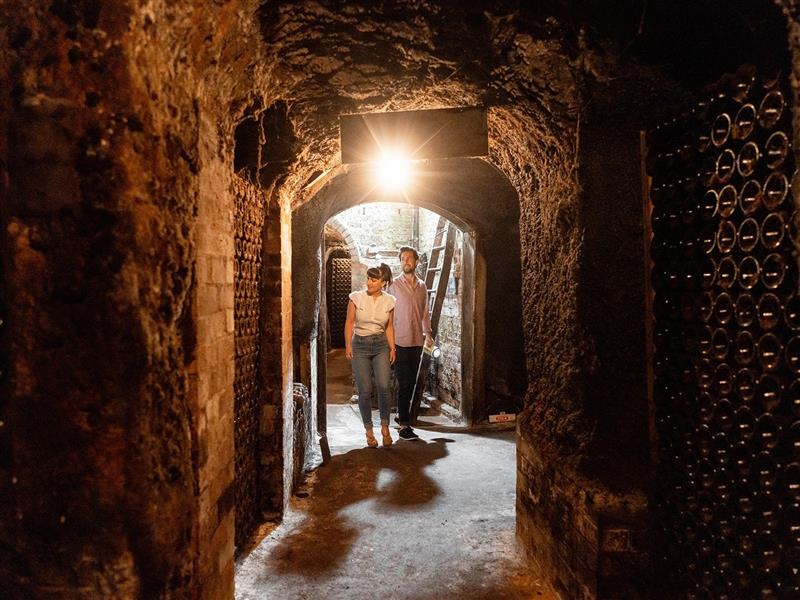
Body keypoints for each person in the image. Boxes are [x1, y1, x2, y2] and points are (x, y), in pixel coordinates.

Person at [345, 263, 396, 448]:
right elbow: (349, 323)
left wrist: (392, 347)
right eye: (368, 278)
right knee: (365, 390)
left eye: (374, 280)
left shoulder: (390, 301)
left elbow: (389, 326)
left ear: (384, 283)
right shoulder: (356, 298)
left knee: (384, 386)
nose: (369, 282)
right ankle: (368, 431)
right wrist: (348, 345)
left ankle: (385, 428)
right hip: (360, 345)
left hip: (381, 345)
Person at [387, 246, 433, 441]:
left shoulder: (422, 286)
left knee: (410, 383)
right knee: (405, 382)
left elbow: (424, 313)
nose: (406, 261)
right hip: (398, 341)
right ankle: (404, 426)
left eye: (409, 258)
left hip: (416, 341)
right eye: (403, 258)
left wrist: (428, 334)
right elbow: (387, 314)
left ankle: (401, 414)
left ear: (416, 262)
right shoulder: (393, 285)